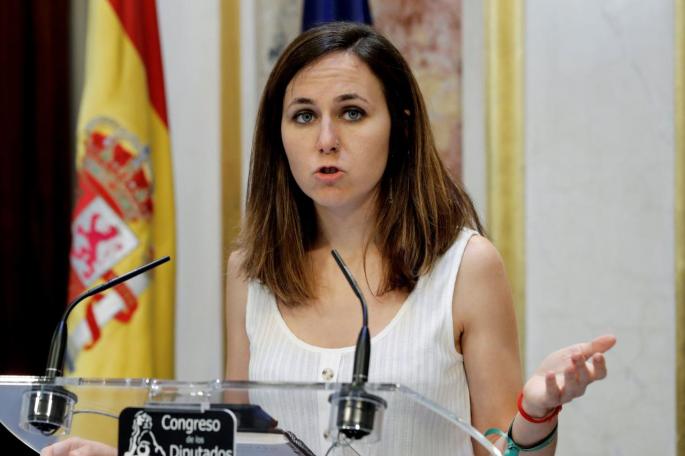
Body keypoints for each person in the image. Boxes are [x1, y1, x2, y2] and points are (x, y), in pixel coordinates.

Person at [42, 21, 615, 456]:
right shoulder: (253, 272)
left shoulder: (464, 267)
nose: (325, 140)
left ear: (401, 126)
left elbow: (498, 451)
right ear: (279, 135)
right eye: (303, 116)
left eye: (352, 113)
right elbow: (234, 445)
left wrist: (535, 414)